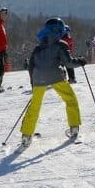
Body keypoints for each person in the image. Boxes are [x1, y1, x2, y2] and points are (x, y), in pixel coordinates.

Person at [20, 18, 87, 148]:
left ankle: (26, 136)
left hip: (38, 78)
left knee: (35, 106)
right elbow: (68, 63)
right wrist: (81, 61)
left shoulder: (38, 47)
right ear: (58, 30)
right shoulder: (61, 44)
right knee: (70, 99)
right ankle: (74, 129)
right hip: (56, 77)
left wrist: (34, 83)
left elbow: (31, 66)